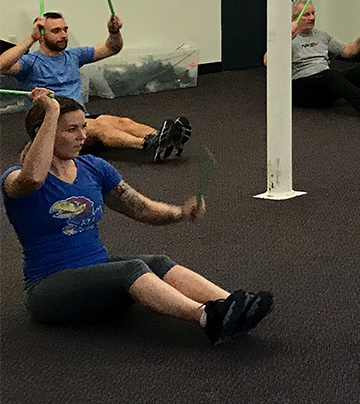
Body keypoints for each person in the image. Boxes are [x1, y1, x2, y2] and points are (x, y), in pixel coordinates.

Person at [3, 89, 272, 344]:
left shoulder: (93, 167)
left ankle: (234, 305)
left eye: (84, 127)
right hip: (49, 291)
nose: (82, 136)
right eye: (72, 129)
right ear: (44, 133)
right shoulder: (15, 179)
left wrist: (179, 212)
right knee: (131, 269)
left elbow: (140, 208)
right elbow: (34, 176)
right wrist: (50, 111)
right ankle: (206, 317)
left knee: (157, 261)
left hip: (98, 273)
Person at [1, 12, 190, 162]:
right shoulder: (30, 63)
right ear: (42, 35)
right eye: (56, 31)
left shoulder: (73, 56)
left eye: (65, 29)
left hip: (79, 117)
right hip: (50, 127)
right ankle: (147, 144)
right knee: (99, 126)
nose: (64, 34)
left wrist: (114, 32)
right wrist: (31, 37)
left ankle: (164, 137)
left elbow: (111, 48)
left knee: (120, 121)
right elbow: (2, 65)